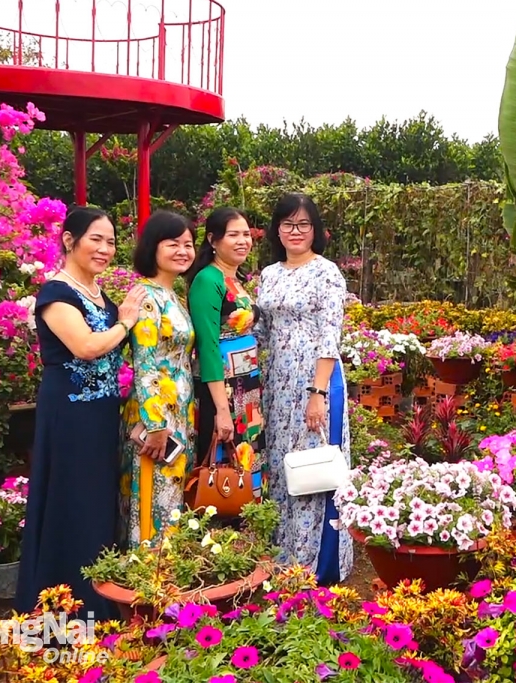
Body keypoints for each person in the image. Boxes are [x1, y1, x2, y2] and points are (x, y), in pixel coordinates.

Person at [16, 207, 146, 618]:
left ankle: (99, 600)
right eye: (96, 239)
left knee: (97, 503)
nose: (105, 249)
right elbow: (86, 346)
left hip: (103, 414)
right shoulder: (56, 292)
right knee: (71, 502)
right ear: (70, 240)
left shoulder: (96, 293)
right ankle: (66, 606)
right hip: (70, 415)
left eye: (110, 241)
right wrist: (125, 322)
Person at [256, 193, 351, 585]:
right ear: (277, 230)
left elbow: (331, 335)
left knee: (314, 469)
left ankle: (316, 565)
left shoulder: (327, 273)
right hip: (277, 383)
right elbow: (260, 331)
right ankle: (282, 557)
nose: (295, 232)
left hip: (316, 380)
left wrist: (318, 393)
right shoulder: (269, 274)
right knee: (281, 469)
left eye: (303, 225)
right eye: (288, 224)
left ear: (316, 231)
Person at [120, 210, 197, 547]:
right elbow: (145, 362)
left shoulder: (173, 297)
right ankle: (147, 584)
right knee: (153, 501)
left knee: (172, 501)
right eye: (173, 243)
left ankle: (168, 584)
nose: (183, 250)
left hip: (178, 414)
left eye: (188, 244)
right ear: (153, 247)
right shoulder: (147, 298)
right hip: (157, 420)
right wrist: (154, 423)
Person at [186, 207, 264, 500]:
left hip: (246, 387)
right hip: (223, 389)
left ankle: (251, 532)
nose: (243, 240)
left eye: (246, 234)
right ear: (213, 240)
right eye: (233, 234)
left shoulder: (235, 278)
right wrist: (221, 410)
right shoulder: (209, 280)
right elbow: (207, 345)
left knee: (245, 466)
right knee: (222, 475)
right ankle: (221, 541)